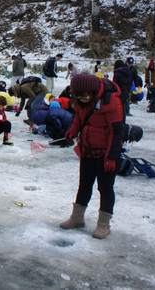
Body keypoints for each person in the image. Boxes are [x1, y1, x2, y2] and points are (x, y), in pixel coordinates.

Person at [61, 73, 123, 239]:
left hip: (106, 152)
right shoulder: (82, 101)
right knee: (84, 184)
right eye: (78, 96)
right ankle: (77, 217)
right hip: (88, 149)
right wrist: (72, 132)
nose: (83, 99)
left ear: (94, 91)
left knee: (105, 188)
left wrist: (111, 156)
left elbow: (117, 132)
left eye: (85, 95)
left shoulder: (111, 101)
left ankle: (103, 224)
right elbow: (79, 119)